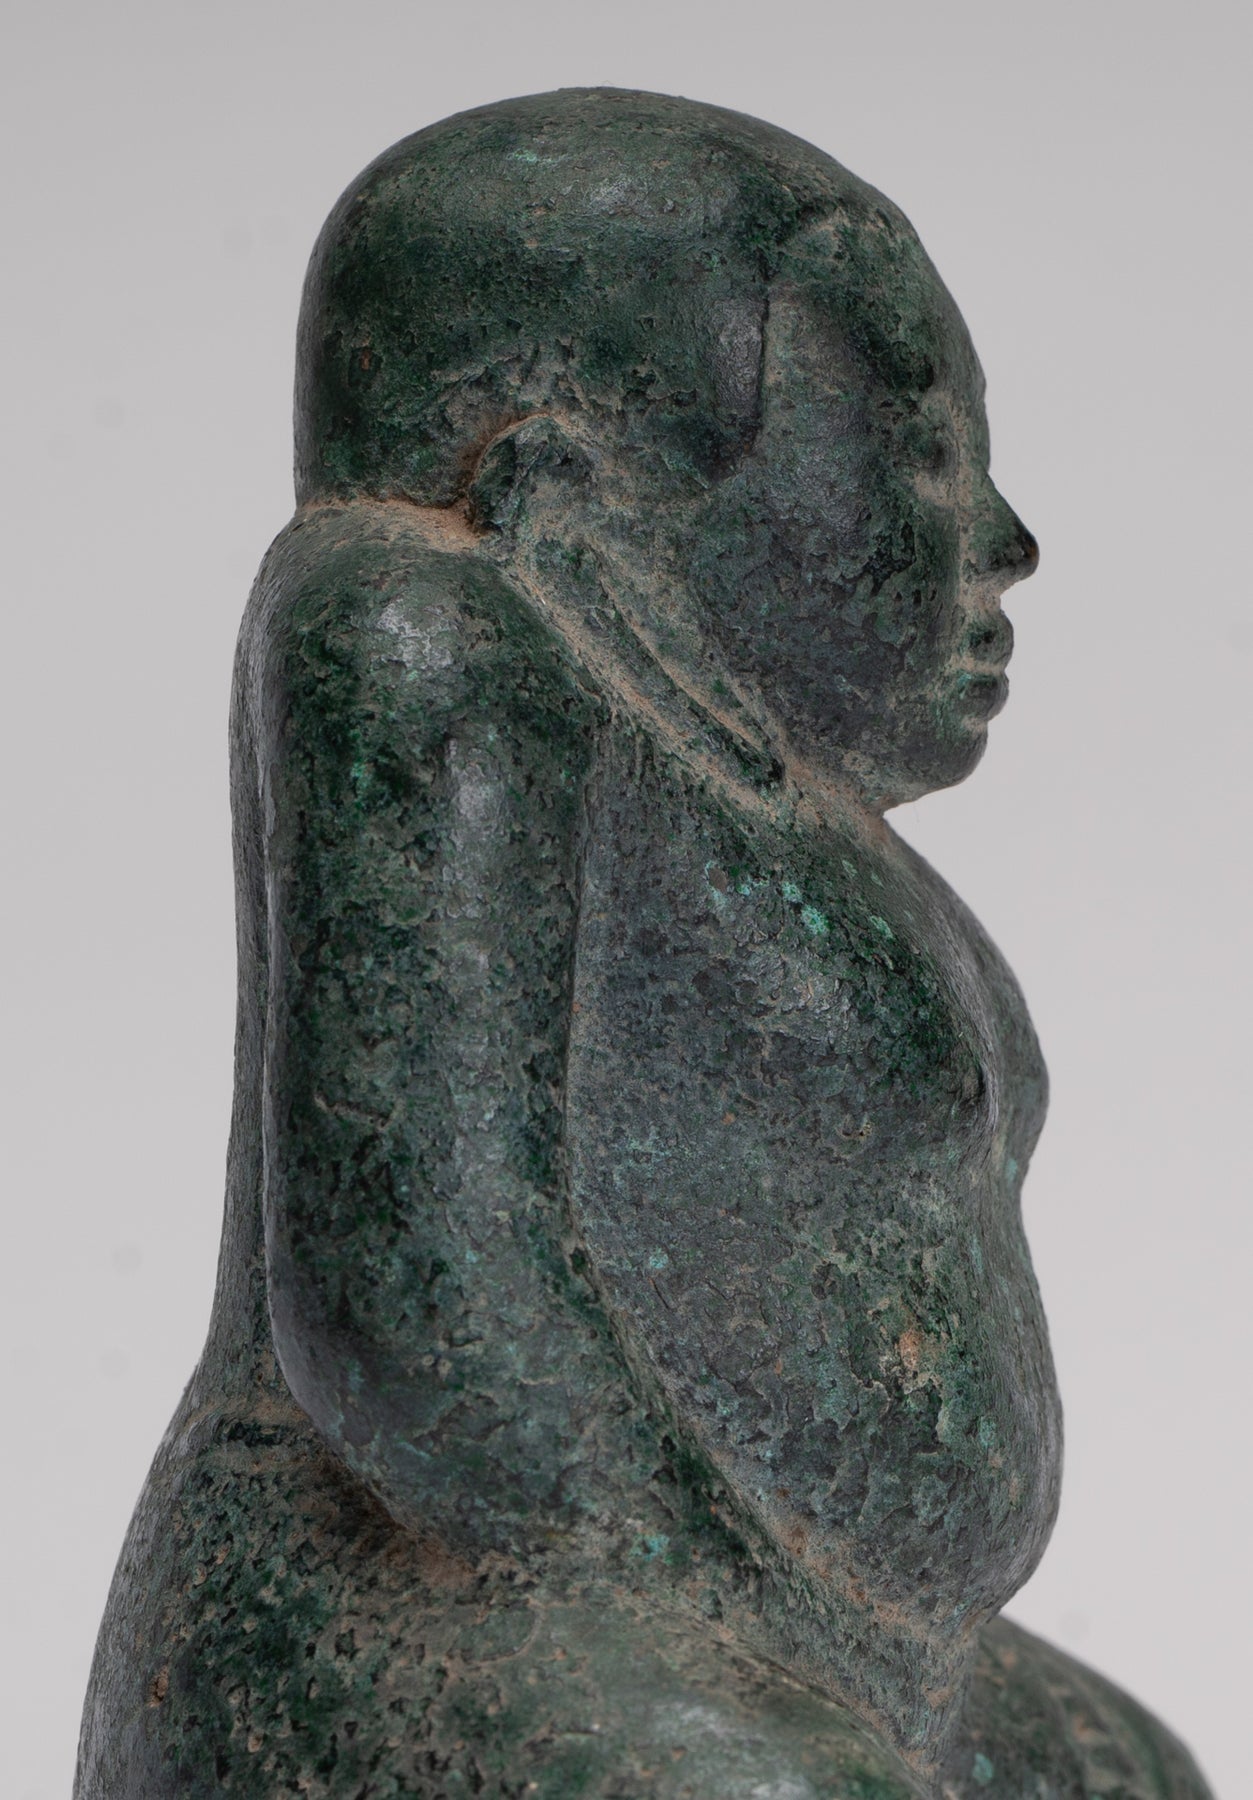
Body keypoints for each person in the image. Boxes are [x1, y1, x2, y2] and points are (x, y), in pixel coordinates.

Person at [76, 88, 1213, 1799]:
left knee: (1134, 1772)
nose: (1002, 545)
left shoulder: (800, 816)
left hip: (813, 1643)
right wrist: (731, 1621)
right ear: (572, 490)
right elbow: (420, 1323)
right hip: (436, 1596)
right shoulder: (418, 635)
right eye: (920, 458)